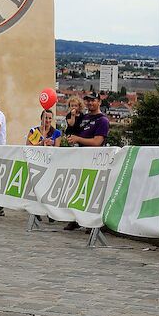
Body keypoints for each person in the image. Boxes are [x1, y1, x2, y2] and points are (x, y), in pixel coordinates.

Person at [64, 92, 109, 230]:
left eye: (93, 101)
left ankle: (92, 223)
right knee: (78, 190)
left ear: (99, 102)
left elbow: (97, 142)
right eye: (88, 101)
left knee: (92, 192)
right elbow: (72, 130)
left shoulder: (103, 120)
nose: (90, 103)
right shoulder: (83, 117)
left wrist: (78, 139)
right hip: (80, 158)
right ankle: (77, 218)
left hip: (95, 160)